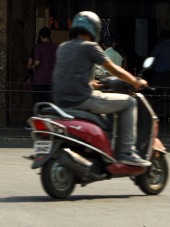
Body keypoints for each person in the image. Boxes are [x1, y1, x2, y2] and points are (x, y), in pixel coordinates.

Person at [53, 11, 150, 167]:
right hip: (83, 99)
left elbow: (69, 76)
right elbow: (115, 69)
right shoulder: (91, 47)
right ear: (95, 30)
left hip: (62, 102)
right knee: (129, 102)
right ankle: (126, 152)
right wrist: (135, 81)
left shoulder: (63, 47)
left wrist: (93, 84)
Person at [150, 29, 170, 118]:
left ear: (161, 37)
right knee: (167, 95)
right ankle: (165, 114)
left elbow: (152, 59)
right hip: (169, 74)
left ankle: (155, 114)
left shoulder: (159, 47)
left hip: (158, 74)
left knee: (155, 94)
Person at [28, 27, 57, 107]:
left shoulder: (39, 47)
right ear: (50, 36)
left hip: (40, 80)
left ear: (40, 36)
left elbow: (37, 62)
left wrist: (33, 67)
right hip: (52, 80)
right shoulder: (55, 47)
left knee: (38, 103)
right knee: (50, 104)